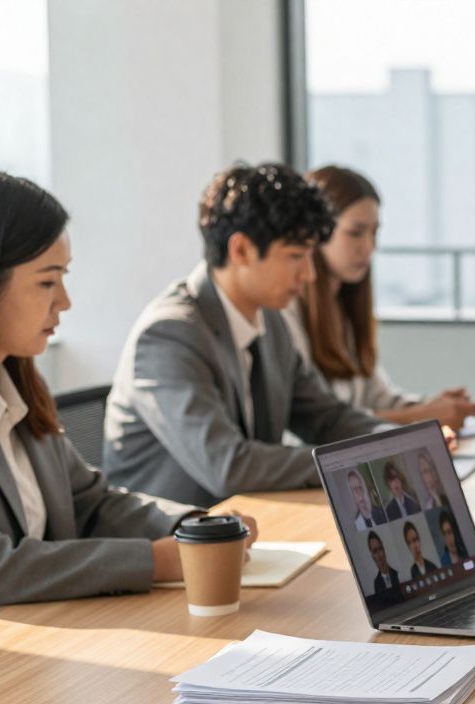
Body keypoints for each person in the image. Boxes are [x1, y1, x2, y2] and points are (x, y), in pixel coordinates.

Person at [0, 171, 258, 606]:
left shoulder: (19, 387)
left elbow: (91, 504)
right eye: (47, 281)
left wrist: (197, 527)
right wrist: (155, 562)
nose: (65, 301)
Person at [102, 163, 392, 507]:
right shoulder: (169, 335)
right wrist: (354, 460)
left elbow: (325, 416)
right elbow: (229, 465)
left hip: (246, 519)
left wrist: (392, 442)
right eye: (296, 256)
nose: (310, 274)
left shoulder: (270, 321)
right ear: (240, 250)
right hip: (174, 532)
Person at [282, 165, 475, 431]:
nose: (369, 247)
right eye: (355, 232)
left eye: (374, 233)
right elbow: (320, 424)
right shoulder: (286, 314)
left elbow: (380, 398)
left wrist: (431, 406)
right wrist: (422, 415)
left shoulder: (344, 307)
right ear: (316, 234)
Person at [367, 531, 400, 598]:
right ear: (372, 556)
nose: (379, 554)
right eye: (375, 551)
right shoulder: (376, 583)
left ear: (384, 550)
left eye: (380, 549)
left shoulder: (397, 574)